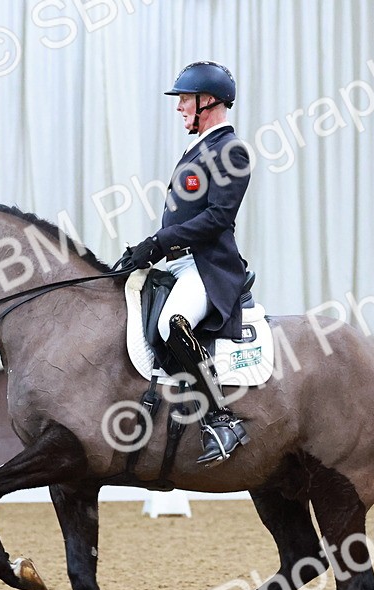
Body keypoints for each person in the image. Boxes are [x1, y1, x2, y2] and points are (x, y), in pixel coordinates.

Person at [125, 61, 253, 465]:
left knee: (172, 323)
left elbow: (217, 217)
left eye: (185, 99)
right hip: (179, 263)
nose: (179, 107)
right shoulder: (198, 147)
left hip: (208, 267)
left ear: (208, 101)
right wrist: (148, 250)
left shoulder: (230, 150)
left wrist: (159, 241)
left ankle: (222, 419)